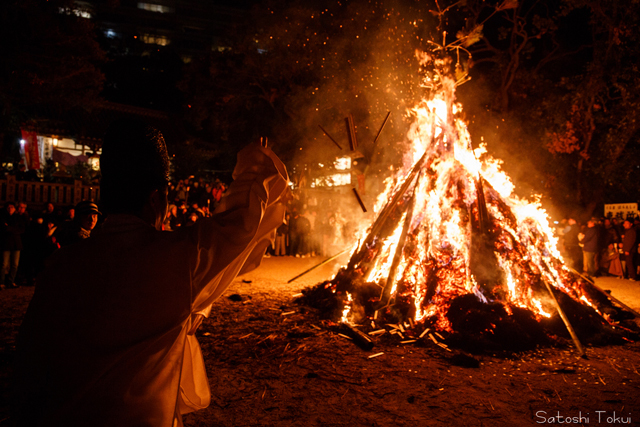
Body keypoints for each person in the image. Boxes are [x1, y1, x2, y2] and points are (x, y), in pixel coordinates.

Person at [14, 120, 288, 426]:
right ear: (157, 197)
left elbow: (28, 364)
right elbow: (244, 223)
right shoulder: (176, 259)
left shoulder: (61, 265)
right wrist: (257, 162)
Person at [0, 202, 27, 289]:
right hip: (6, 243)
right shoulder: (3, 217)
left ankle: (10, 281)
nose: (10, 209)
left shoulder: (18, 218)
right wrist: (13, 229)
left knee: (15, 264)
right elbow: (3, 229)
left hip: (16, 243)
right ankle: (2, 281)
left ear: (14, 209)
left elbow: (22, 229)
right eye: (8, 207)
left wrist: (9, 228)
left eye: (12, 207)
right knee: (4, 264)